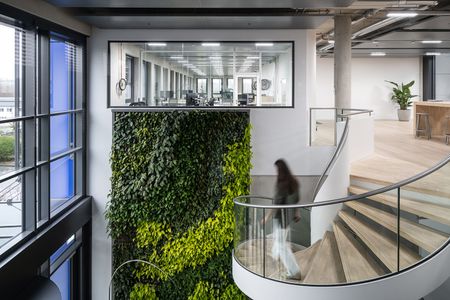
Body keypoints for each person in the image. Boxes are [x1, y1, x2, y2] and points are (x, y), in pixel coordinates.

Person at [262, 159, 301, 280]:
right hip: (288, 218)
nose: (276, 172)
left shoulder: (282, 183)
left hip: (280, 218)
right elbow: (296, 199)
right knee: (279, 239)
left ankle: (294, 272)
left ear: (280, 170)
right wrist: (296, 212)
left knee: (281, 244)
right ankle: (275, 255)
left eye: (276, 170)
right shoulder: (294, 181)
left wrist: (267, 216)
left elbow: (277, 203)